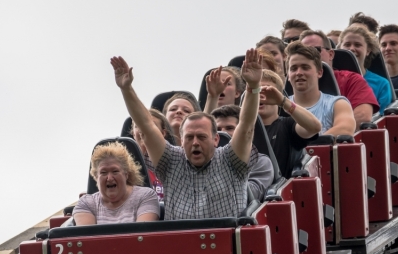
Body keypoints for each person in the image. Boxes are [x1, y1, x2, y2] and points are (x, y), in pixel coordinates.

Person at [112, 49, 262, 220]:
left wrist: (253, 86)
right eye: (190, 137)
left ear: (215, 139)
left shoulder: (230, 159)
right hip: (180, 244)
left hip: (225, 242)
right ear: (181, 140)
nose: (195, 143)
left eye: (202, 137)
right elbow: (146, 126)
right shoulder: (171, 161)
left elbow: (246, 126)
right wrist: (126, 88)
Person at [297, 29, 379, 127]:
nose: (309, 56)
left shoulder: (352, 80)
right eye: (303, 53)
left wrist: (325, 137)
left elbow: (363, 116)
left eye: (315, 50)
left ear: (330, 54)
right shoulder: (291, 83)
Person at [256, 68, 323, 178]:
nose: (260, 95)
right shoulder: (240, 128)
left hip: (279, 191)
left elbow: (315, 127)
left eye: (266, 90)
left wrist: (283, 101)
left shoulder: (287, 125)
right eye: (255, 90)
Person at [73, 142, 160, 225]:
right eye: (103, 172)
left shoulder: (145, 196)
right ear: (96, 177)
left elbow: (142, 235)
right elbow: (87, 237)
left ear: (126, 174)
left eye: (115, 171)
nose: (110, 178)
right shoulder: (86, 203)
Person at [284, 43, 355, 135]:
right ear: (288, 75)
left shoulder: (337, 104)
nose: (299, 73)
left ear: (320, 72)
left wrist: (306, 147)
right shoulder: (280, 107)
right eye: (294, 69)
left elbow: (346, 129)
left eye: (305, 68)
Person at [209, 105, 276, 200]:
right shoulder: (201, 161)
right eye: (218, 130)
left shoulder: (261, 162)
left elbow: (250, 196)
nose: (222, 133)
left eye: (229, 128)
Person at [338, 24, 393, 113]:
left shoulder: (381, 84)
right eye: (347, 44)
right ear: (340, 48)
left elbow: (381, 118)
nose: (352, 48)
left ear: (368, 50)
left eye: (357, 45)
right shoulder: (332, 80)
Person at [131, 109, 173, 198]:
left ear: (163, 133)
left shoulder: (174, 163)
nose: (144, 129)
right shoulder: (125, 169)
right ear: (133, 134)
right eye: (138, 125)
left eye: (151, 125)